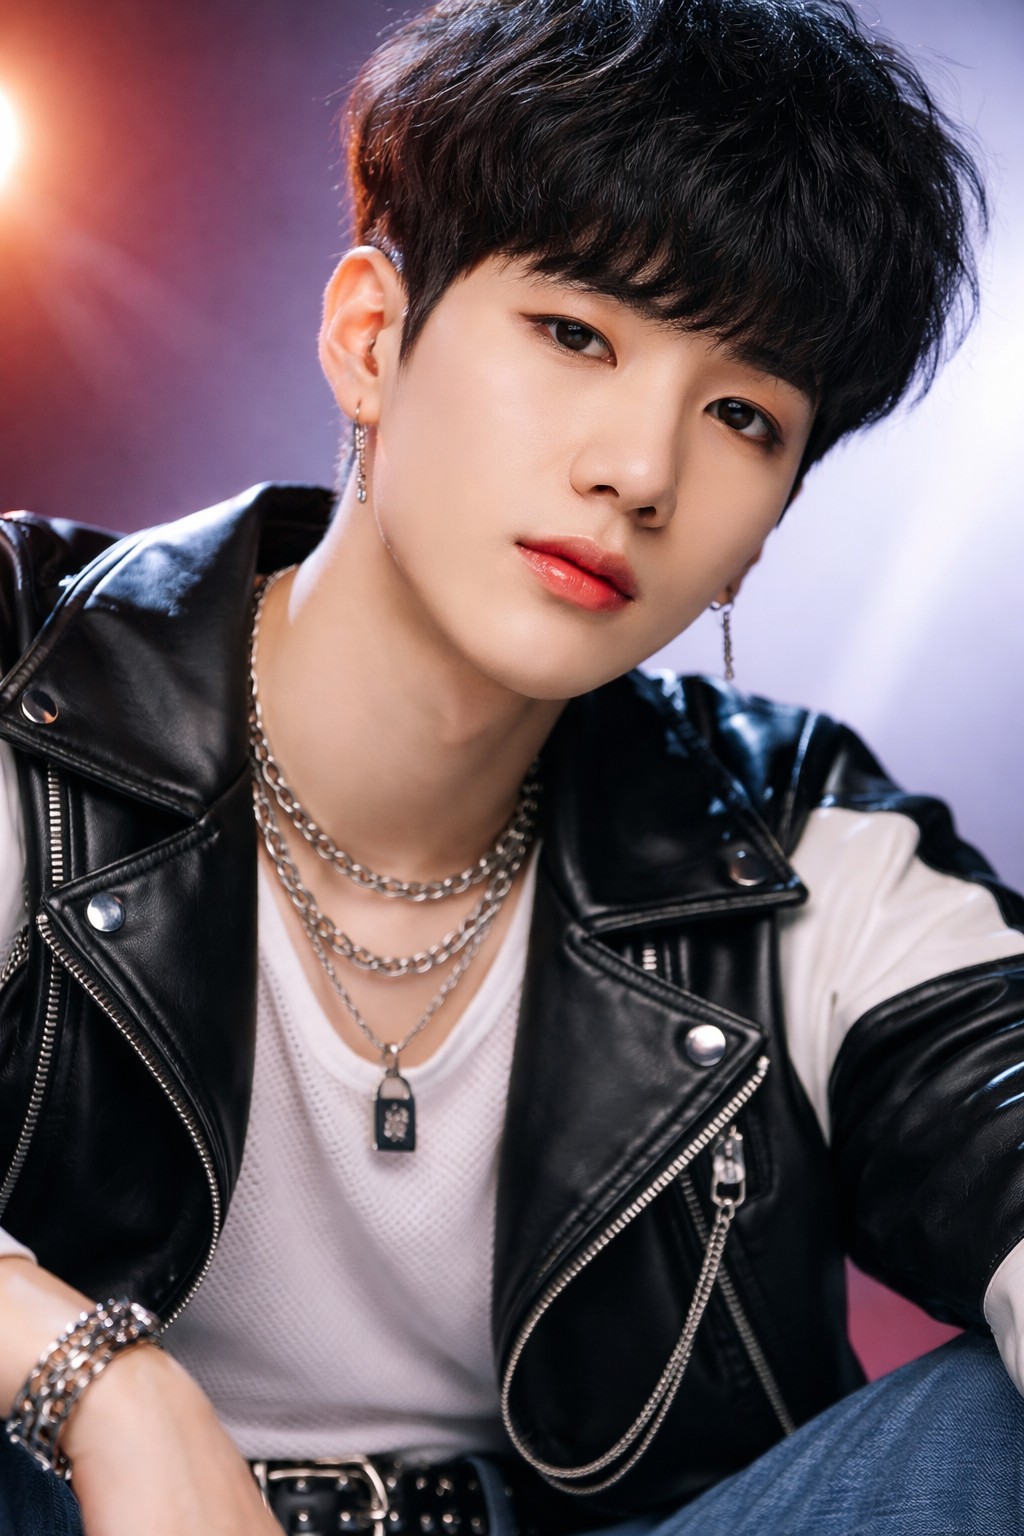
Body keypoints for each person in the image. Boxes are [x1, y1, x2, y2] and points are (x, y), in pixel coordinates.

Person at [0, 1, 1022, 1532]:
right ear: (371, 336)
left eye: (742, 416)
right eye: (576, 334)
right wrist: (94, 1383)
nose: (642, 471)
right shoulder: (31, 676)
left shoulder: (797, 846)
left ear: (764, 530)